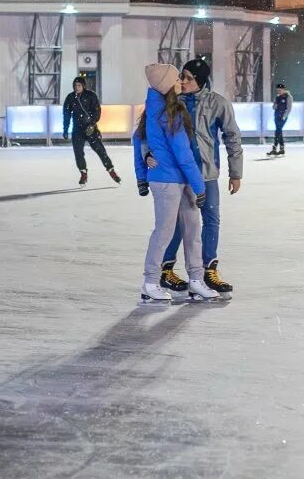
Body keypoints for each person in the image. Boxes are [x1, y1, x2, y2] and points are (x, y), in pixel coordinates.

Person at [147, 58, 243, 296]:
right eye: (182, 76)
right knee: (177, 224)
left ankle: (208, 269)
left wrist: (236, 172)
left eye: (189, 77)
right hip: (179, 176)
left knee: (211, 219)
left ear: (200, 80)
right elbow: (148, 132)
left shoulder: (217, 103)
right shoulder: (173, 102)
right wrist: (149, 153)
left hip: (206, 173)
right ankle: (166, 269)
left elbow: (233, 137)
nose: (183, 81)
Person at [133, 63, 217, 304]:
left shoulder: (156, 110)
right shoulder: (169, 113)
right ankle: (150, 282)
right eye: (176, 79)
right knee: (165, 232)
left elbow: (139, 142)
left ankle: (196, 280)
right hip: (169, 182)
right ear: (167, 86)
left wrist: (141, 174)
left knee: (192, 230)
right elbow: (183, 155)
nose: (181, 81)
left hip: (177, 180)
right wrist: (199, 186)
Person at [62, 76, 120, 186]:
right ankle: (83, 173)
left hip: (90, 129)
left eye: (79, 85)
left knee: (100, 150)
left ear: (83, 86)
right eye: (75, 85)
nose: (77, 87)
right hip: (77, 130)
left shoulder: (90, 95)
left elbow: (97, 111)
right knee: (78, 153)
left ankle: (111, 170)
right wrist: (65, 129)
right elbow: (66, 114)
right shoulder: (70, 98)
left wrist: (92, 124)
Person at [267, 83, 293, 156]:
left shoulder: (288, 97)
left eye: (280, 90)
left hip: (282, 116)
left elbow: (289, 108)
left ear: (283, 90)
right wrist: (276, 104)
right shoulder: (277, 97)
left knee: (278, 130)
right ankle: (281, 148)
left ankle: (275, 147)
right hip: (277, 115)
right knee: (279, 131)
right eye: (277, 90)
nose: (278, 91)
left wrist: (284, 116)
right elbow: (273, 107)